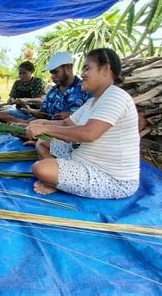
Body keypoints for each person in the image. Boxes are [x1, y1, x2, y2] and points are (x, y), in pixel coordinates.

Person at [26, 48, 140, 199]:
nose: (82, 74)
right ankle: (62, 180)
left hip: (111, 177)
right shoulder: (92, 101)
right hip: (80, 157)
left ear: (105, 69)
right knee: (42, 142)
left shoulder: (116, 96)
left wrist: (44, 128)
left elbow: (88, 133)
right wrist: (40, 124)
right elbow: (67, 123)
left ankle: (59, 181)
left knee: (40, 168)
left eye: (87, 68)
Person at [21, 52, 91, 122]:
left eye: (56, 72)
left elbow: (94, 117)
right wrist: (30, 111)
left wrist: (72, 115)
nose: (52, 76)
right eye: (51, 73)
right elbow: (43, 114)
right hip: (45, 130)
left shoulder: (86, 89)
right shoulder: (52, 92)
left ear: (68, 67)